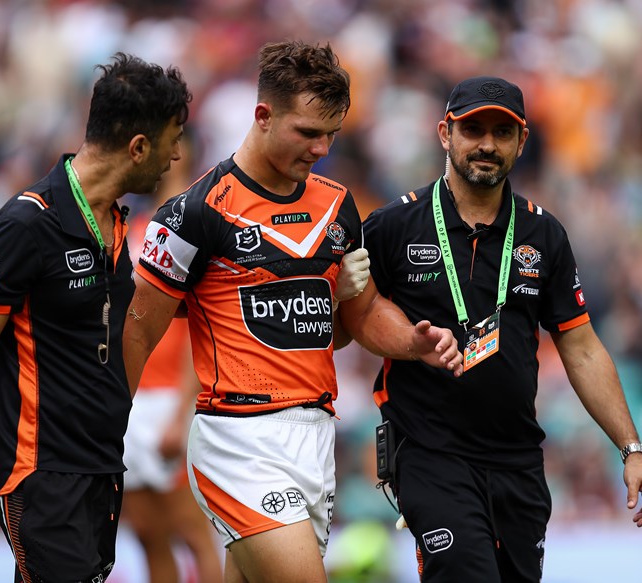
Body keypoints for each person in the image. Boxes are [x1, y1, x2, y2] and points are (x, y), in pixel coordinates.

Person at [123, 40, 462, 583]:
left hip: (314, 433)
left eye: (332, 133)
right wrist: (101, 430)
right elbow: (137, 329)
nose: (322, 147)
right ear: (263, 115)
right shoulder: (195, 213)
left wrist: (412, 343)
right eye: (308, 132)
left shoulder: (336, 204)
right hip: (238, 438)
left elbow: (358, 316)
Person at [338, 76, 642, 582]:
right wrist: (373, 318)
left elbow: (581, 349)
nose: (487, 143)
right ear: (445, 133)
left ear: (521, 142)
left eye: (501, 132)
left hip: (518, 461)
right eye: (473, 129)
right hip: (429, 453)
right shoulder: (392, 225)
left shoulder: (544, 234)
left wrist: (632, 450)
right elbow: (345, 328)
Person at [0, 52, 192, 583]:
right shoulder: (24, 224)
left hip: (100, 465)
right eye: (171, 140)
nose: (177, 154)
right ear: (138, 147)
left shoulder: (113, 221)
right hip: (39, 472)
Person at [123, 206, 222, 582]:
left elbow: (195, 332)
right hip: (130, 399)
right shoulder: (121, 226)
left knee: (192, 531)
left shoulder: (188, 224)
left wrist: (181, 413)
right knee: (148, 533)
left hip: (168, 399)